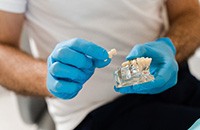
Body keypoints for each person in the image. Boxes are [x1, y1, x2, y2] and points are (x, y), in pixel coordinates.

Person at [0, 0, 200, 130]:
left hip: (174, 85)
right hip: (97, 114)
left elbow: (190, 12)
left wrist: (172, 47)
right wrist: (48, 76)